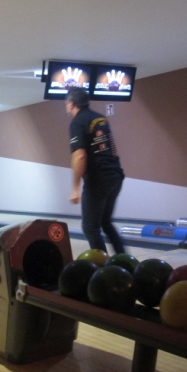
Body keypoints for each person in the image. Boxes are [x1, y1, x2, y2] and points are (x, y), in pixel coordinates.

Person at [65, 87, 125, 254]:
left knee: (90, 228)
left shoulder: (77, 122)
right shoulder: (100, 118)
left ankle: (103, 266)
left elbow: (79, 156)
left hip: (98, 179)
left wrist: (75, 188)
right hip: (115, 176)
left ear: (71, 104)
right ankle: (125, 262)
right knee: (105, 222)